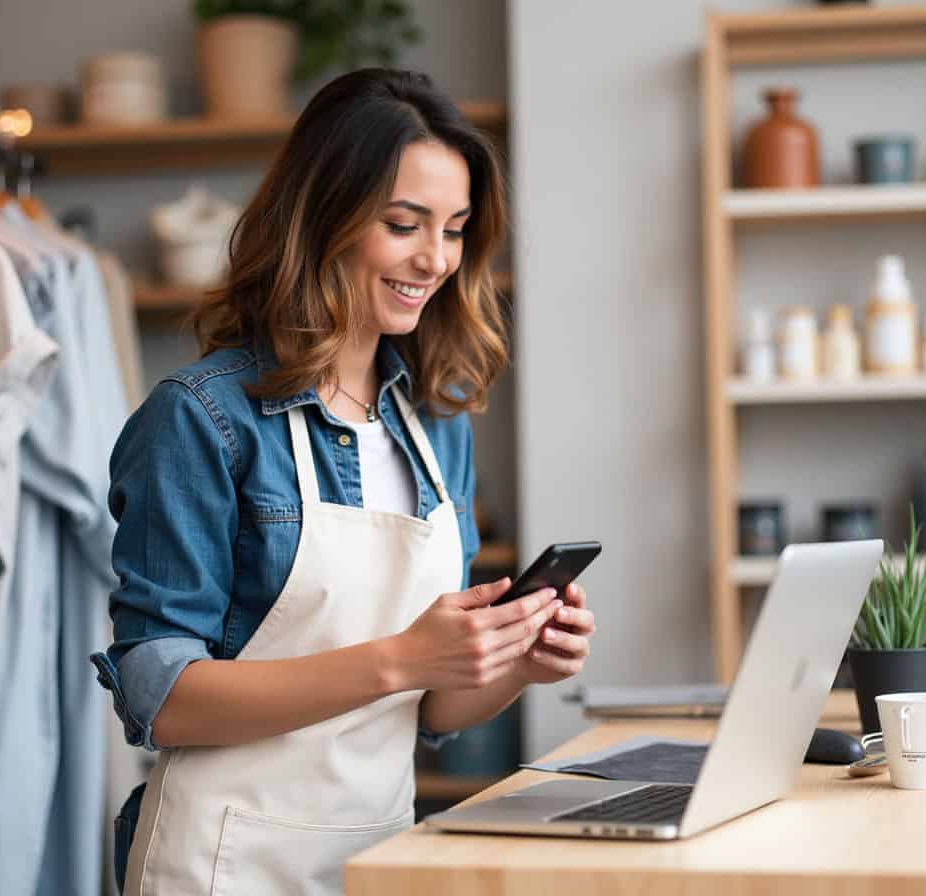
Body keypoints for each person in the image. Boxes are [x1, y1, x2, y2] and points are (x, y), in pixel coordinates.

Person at [90, 67, 597, 896]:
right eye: (405, 224)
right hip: (223, 867)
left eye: (457, 229)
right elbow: (162, 697)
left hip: (375, 861)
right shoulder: (202, 418)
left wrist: (512, 662)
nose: (435, 259)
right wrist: (401, 658)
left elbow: (429, 710)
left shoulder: (436, 424)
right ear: (325, 218)